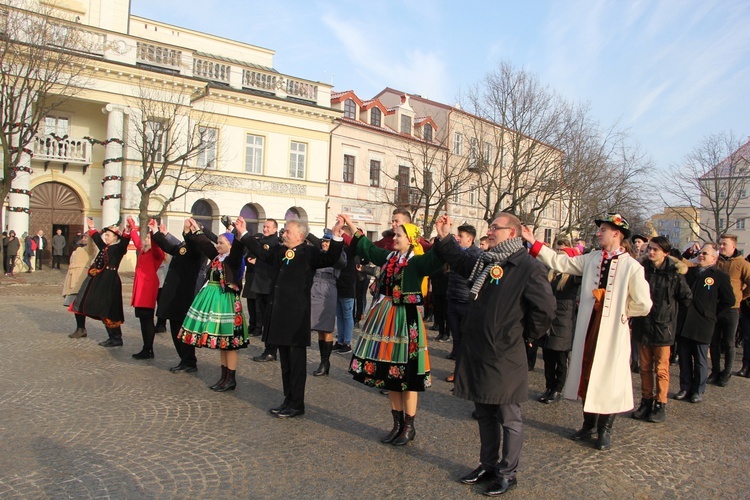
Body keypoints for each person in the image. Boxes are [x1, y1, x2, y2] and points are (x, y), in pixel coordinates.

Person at [435, 213, 555, 496]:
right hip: (479, 348)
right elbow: (462, 262)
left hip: (505, 351)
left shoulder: (527, 266)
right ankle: (488, 465)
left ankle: (508, 472)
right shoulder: (488, 260)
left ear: (512, 232)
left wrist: (525, 336)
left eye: (494, 228)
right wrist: (444, 237)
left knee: (508, 415)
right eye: (489, 227)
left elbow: (545, 309)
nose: (489, 231)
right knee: (485, 410)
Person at [522, 213, 652, 451]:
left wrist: (622, 312)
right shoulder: (592, 258)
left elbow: (644, 304)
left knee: (608, 379)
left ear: (616, 233)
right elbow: (562, 263)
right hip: (589, 326)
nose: (598, 234)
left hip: (612, 331)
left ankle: (605, 430)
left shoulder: (632, 267)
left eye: (603, 230)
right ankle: (588, 424)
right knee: (587, 373)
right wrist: (534, 242)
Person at [342, 214, 449, 446]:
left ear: (410, 239)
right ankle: (397, 424)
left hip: (407, 319)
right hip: (387, 317)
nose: (394, 238)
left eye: (399, 235)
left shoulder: (417, 261)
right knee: (390, 372)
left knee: (408, 374)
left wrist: (443, 235)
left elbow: (438, 258)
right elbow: (369, 249)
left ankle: (409, 426)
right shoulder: (390, 257)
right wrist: (351, 227)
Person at [237, 216, 344, 418]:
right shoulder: (279, 250)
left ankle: (297, 404)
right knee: (285, 362)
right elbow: (261, 252)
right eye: (284, 230)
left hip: (296, 316)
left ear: (300, 235)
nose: (283, 234)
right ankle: (288, 399)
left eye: (287, 231)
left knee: (296, 363)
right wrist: (244, 233)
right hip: (278, 314)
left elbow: (331, 259)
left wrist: (336, 235)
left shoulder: (310, 252)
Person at [178, 219, 248, 391]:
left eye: (221, 243)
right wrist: (195, 229)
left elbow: (239, 250)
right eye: (217, 242)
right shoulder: (217, 257)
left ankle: (231, 378)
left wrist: (239, 233)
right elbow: (203, 243)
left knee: (230, 343)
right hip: (216, 302)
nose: (217, 245)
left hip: (227, 303)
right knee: (223, 343)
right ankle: (224, 377)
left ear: (230, 245)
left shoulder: (233, 260)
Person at [630, 236, 692, 423]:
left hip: (664, 327)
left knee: (662, 369)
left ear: (665, 252)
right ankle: (646, 400)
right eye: (650, 248)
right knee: (645, 367)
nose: (651, 252)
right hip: (643, 324)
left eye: (655, 249)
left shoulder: (674, 273)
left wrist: (671, 318)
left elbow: (686, 298)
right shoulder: (641, 270)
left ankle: (660, 403)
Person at [675, 243, 734, 403]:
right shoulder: (689, 272)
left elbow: (729, 300)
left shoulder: (720, 276)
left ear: (714, 259)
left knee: (700, 359)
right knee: (685, 358)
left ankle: (697, 391)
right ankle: (685, 387)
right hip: (685, 321)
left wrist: (711, 312)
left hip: (703, 323)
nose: (701, 255)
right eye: (700, 253)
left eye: (705, 254)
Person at [151, 219, 204, 373]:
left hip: (185, 294)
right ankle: (184, 359)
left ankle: (189, 361)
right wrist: (156, 232)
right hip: (176, 293)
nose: (186, 231)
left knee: (183, 329)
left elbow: (193, 244)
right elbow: (170, 247)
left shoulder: (197, 248)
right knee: (175, 329)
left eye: (191, 230)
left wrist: (190, 232)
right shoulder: (184, 246)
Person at [70, 218, 131, 347]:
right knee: (102, 308)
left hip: (109, 282)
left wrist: (128, 231)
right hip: (101, 280)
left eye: (108, 235)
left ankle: (116, 337)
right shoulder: (106, 247)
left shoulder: (118, 248)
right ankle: (112, 336)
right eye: (106, 235)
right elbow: (98, 240)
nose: (106, 237)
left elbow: (125, 242)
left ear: (115, 237)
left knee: (109, 309)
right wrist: (92, 228)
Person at [539, 241, 581, 404]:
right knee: (548, 357)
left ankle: (557, 389)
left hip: (564, 319)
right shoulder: (551, 274)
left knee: (561, 358)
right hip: (550, 317)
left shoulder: (572, 277)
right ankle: (549, 386)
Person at [707, 234, 750, 387]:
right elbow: (708, 280)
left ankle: (726, 373)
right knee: (714, 341)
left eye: (725, 244)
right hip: (715, 307)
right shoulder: (716, 262)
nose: (721, 247)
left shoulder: (742, 264)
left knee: (729, 342)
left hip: (731, 309)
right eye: (720, 244)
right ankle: (715, 371)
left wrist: (740, 297)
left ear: (733, 246)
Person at [445, 224, 482, 379]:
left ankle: (467, 372)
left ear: (470, 238)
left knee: (468, 339)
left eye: (461, 236)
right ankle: (458, 371)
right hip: (452, 299)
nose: (458, 238)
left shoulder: (477, 255)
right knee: (457, 338)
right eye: (457, 235)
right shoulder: (457, 254)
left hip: (466, 302)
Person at [309, 229, 346, 376]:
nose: (324, 243)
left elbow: (342, 263)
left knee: (327, 328)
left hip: (327, 291)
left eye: (327, 241)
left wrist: (334, 247)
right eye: (323, 241)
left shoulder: (338, 255)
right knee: (319, 328)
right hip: (314, 290)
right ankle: (322, 360)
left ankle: (326, 362)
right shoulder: (318, 254)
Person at [129, 217, 165, 360]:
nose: (144, 241)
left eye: (147, 239)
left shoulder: (156, 253)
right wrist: (132, 227)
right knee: (143, 319)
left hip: (147, 289)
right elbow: (137, 242)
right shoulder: (144, 251)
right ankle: (146, 348)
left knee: (147, 319)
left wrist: (154, 232)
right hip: (141, 289)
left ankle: (148, 349)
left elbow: (156, 247)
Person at [250, 219, 281, 362]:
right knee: (262, 317)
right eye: (264, 227)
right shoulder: (262, 240)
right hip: (260, 283)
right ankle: (268, 348)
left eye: (268, 227)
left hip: (268, 285)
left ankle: (271, 350)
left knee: (270, 320)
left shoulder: (275, 243)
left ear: (275, 229)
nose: (265, 229)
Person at [63, 234, 96, 337]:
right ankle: (80, 328)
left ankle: (81, 328)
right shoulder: (78, 249)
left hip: (80, 279)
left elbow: (91, 245)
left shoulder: (88, 249)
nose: (84, 239)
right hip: (73, 278)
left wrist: (91, 233)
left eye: (86, 237)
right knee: (75, 305)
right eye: (83, 237)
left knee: (78, 304)